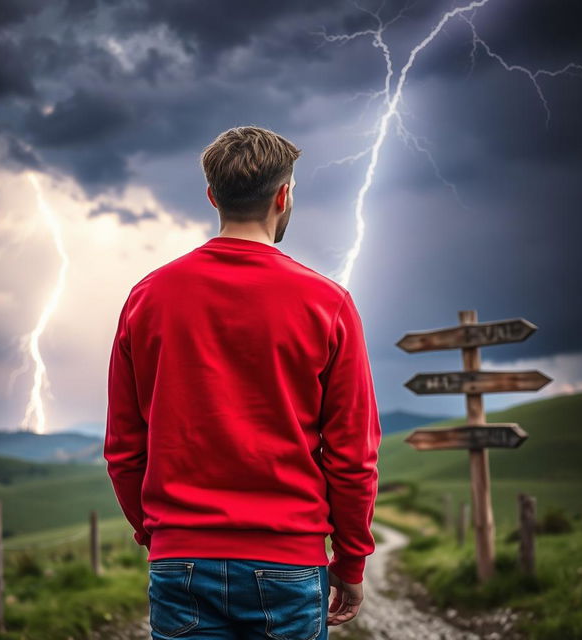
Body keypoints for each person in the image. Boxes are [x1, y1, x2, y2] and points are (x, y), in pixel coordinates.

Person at [104, 125, 382, 639]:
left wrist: (158, 535)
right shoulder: (327, 304)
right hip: (290, 563)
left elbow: (123, 448)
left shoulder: (147, 298)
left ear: (213, 196)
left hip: (180, 561)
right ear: (284, 195)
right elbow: (352, 455)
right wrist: (351, 561)